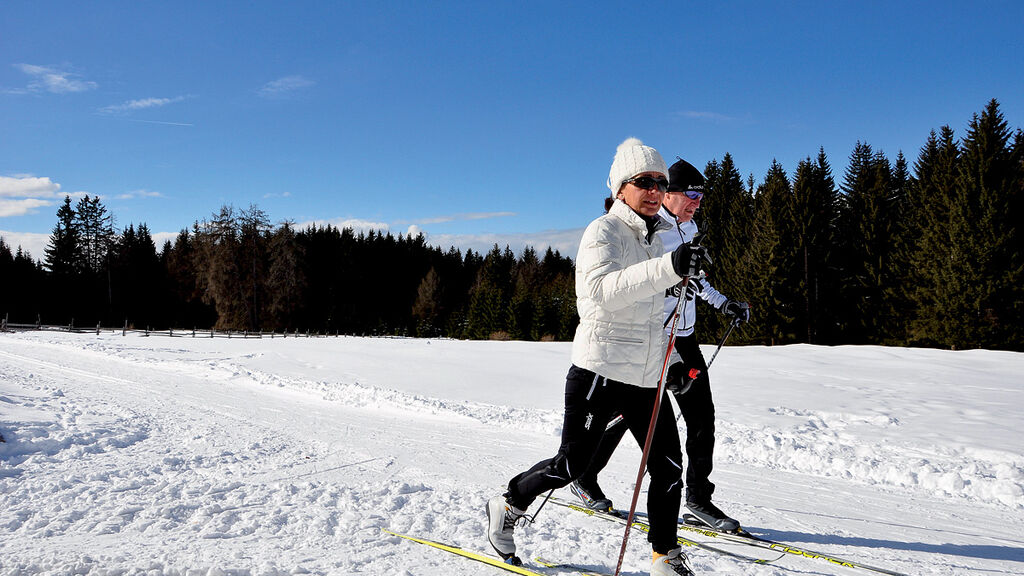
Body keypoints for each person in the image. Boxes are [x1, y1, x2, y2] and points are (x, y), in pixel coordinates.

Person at [487, 138, 710, 576]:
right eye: (643, 181)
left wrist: (675, 365)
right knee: (571, 464)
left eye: (659, 182)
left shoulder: (657, 239)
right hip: (599, 371)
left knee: (668, 467)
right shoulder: (603, 232)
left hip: (647, 376)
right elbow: (601, 294)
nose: (653, 189)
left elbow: (655, 311)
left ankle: (665, 556)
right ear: (621, 188)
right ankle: (509, 502)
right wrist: (670, 267)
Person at [569, 158, 751, 532]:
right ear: (667, 195)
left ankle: (699, 498)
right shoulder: (652, 235)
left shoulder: (687, 228)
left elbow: (695, 280)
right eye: (692, 195)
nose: (698, 202)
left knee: (702, 417)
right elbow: (633, 283)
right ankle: (583, 476)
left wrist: (724, 303)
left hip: (685, 339)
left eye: (702, 196)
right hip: (655, 341)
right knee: (629, 417)